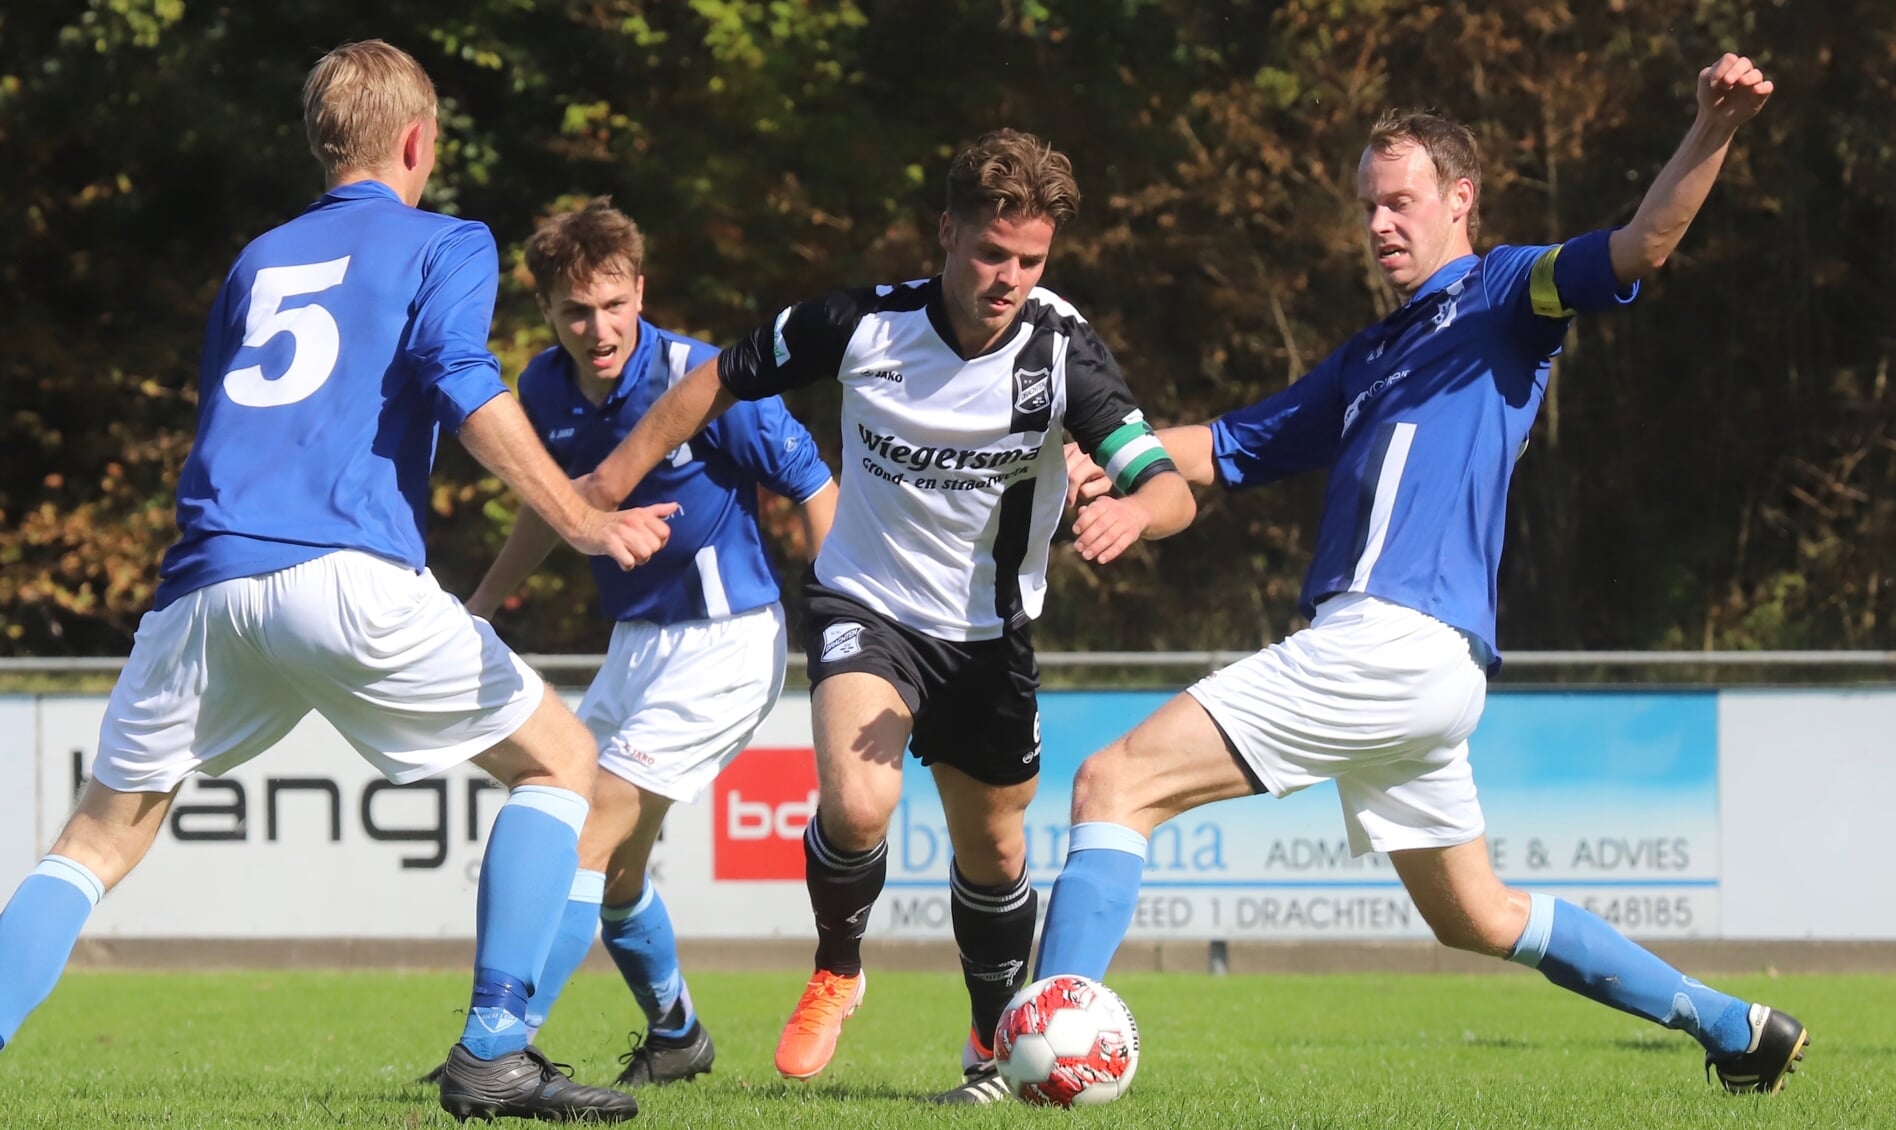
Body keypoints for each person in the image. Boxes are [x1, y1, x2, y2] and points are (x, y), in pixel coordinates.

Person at [1036, 53, 1809, 1096]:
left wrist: (1712, 128)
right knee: (1476, 913)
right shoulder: (1369, 355)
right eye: (1369, 206)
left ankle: (1029, 1061)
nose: (1380, 224)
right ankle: (1735, 1024)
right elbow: (1223, 444)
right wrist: (1104, 446)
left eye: (1400, 201)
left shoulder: (1506, 295)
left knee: (1111, 782)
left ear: (1462, 200)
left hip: (1387, 641)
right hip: (1423, 670)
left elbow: (1644, 244)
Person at [0, 41, 655, 1124]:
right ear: (415, 141)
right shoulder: (448, 238)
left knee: (94, 840)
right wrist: (579, 514)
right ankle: (495, 1046)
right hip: (342, 568)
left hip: (204, 582)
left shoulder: (258, 257)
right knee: (563, 761)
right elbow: (458, 379)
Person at [575, 128, 1197, 1102]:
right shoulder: (859, 323)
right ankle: (838, 965)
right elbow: (713, 375)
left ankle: (994, 1040)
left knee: (993, 849)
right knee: (857, 805)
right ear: (946, 232)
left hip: (989, 633)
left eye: (1029, 260)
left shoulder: (1062, 349)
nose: (1007, 277)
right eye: (991, 252)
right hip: (866, 598)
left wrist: (1132, 507)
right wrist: (606, 484)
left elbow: (1168, 484)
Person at [422, 198, 837, 1087]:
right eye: (577, 311)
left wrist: (845, 617)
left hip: (727, 644)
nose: (599, 328)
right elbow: (559, 504)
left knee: (587, 825)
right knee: (613, 870)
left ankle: (496, 1047)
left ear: (640, 291)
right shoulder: (538, 387)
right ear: (548, 313)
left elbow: (812, 482)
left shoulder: (702, 377)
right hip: (636, 645)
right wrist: (488, 598)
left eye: (615, 305)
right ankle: (678, 1034)